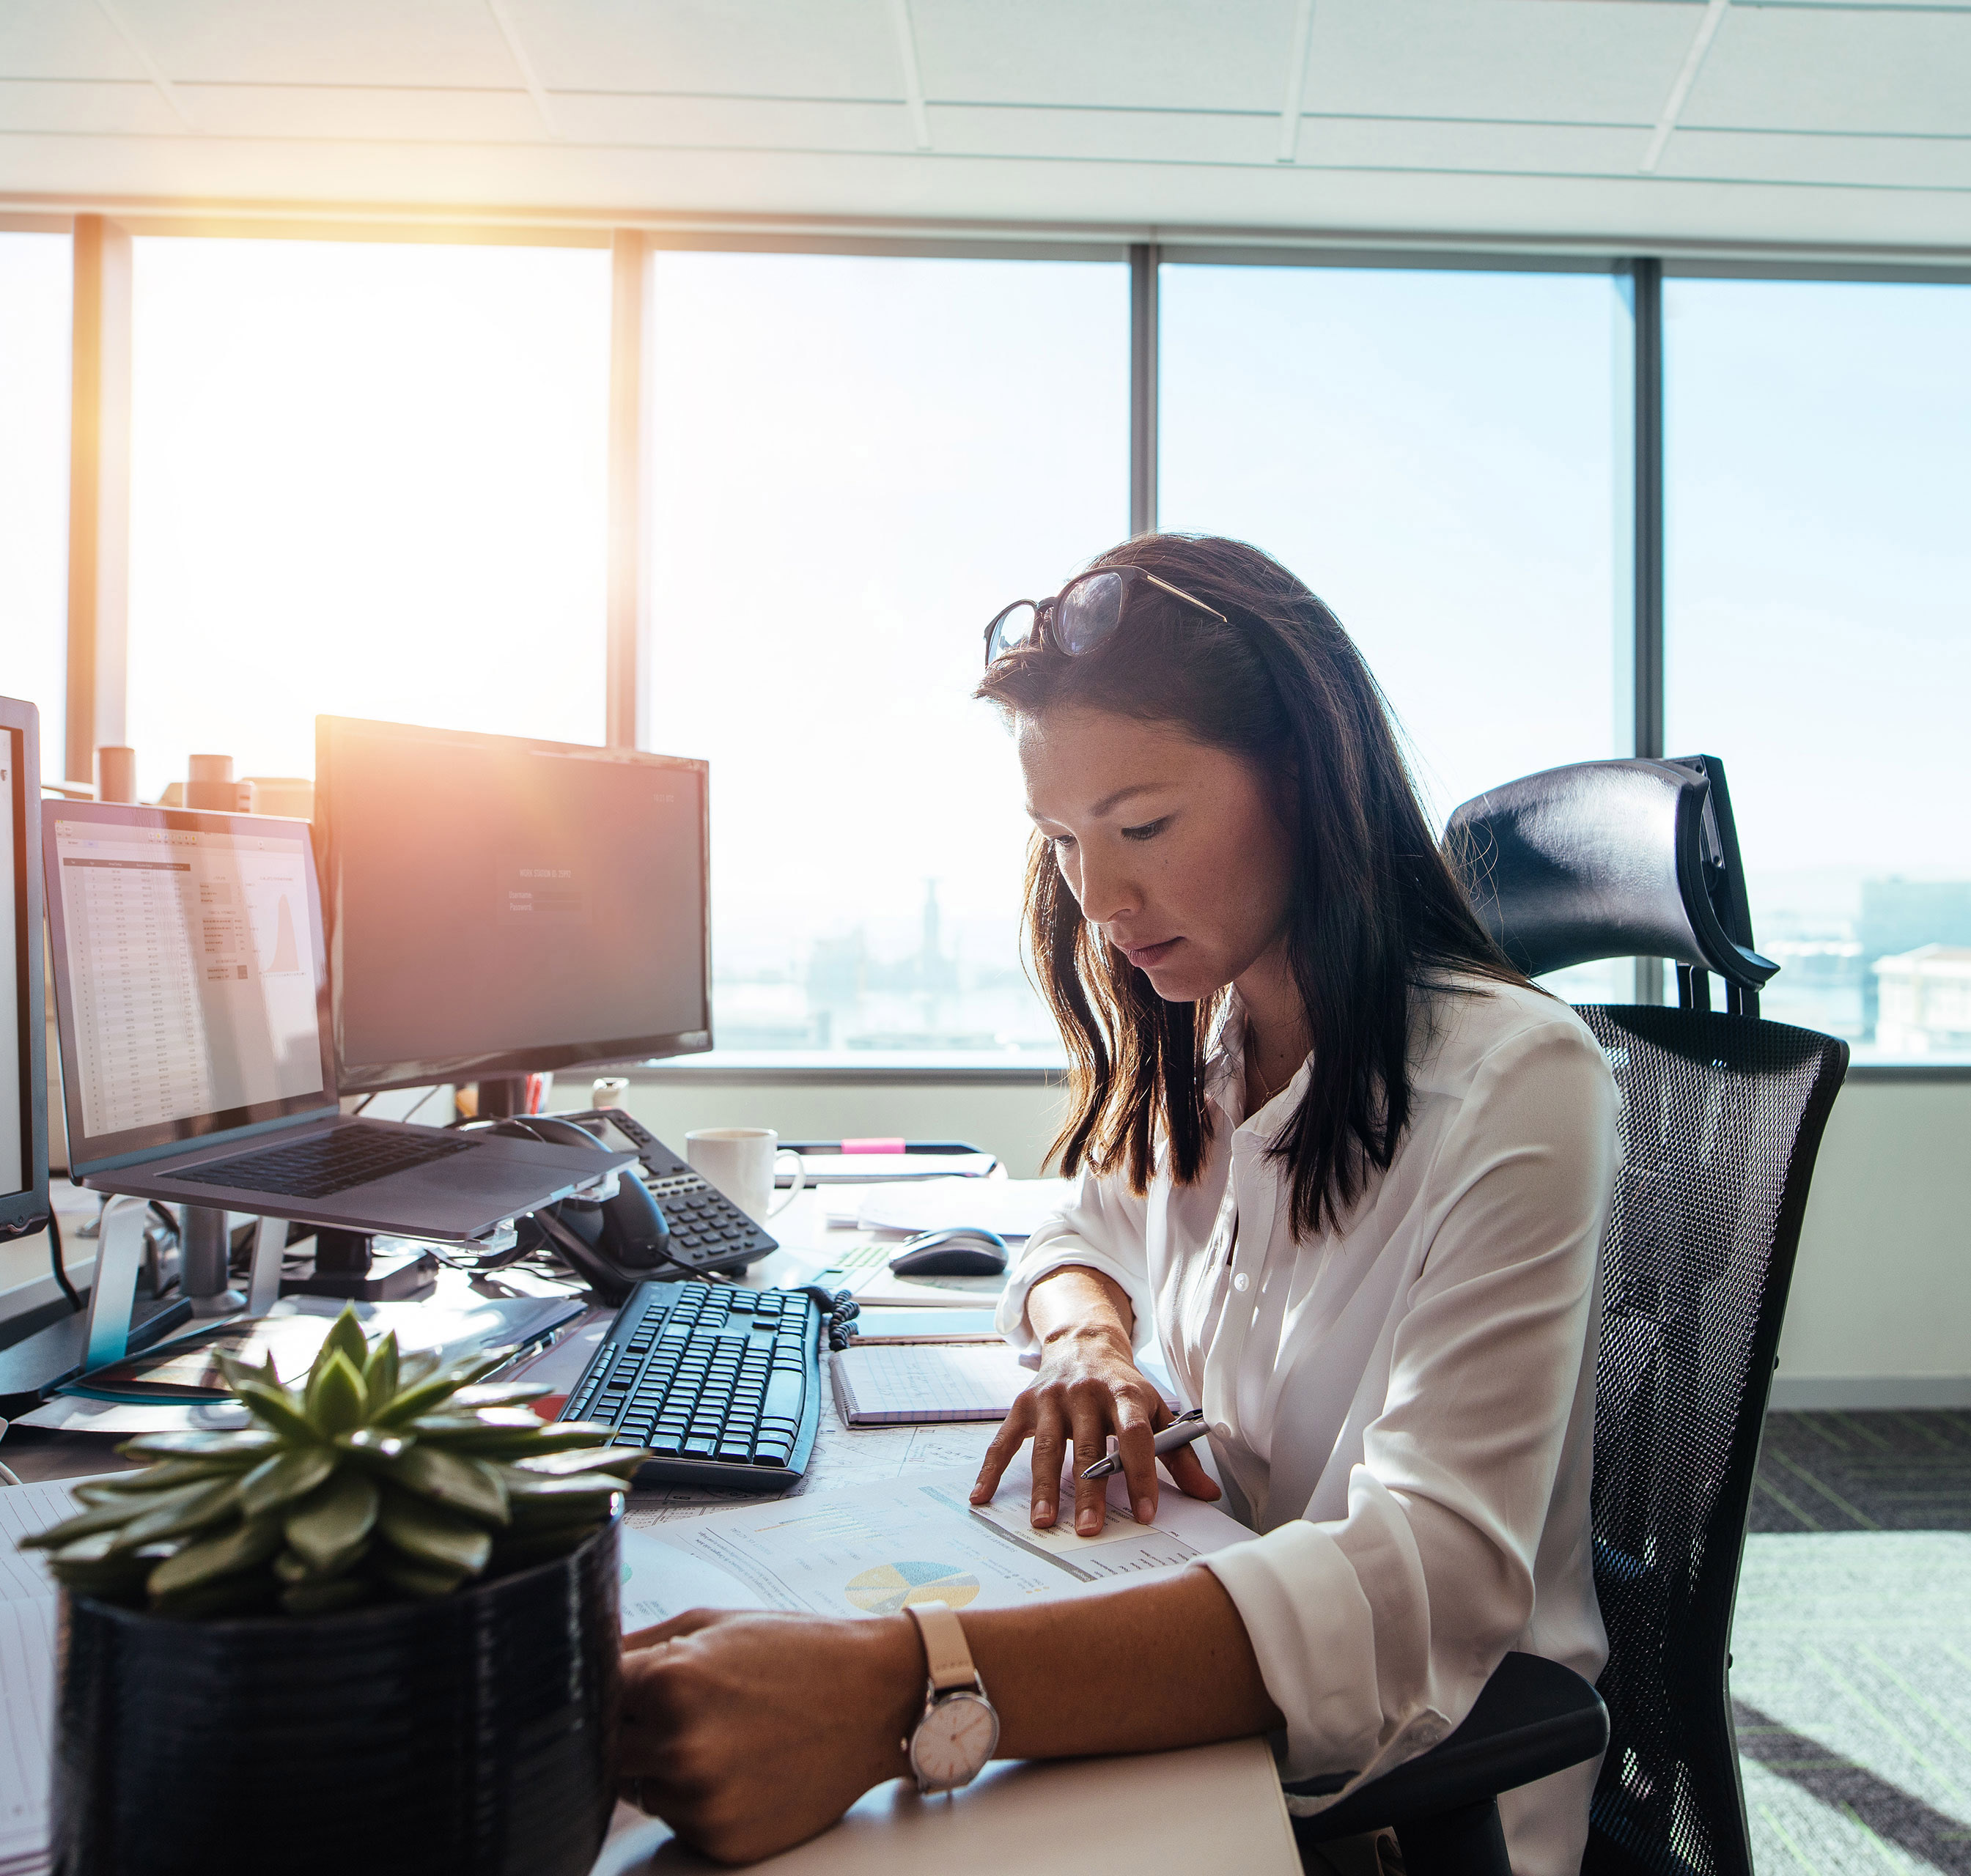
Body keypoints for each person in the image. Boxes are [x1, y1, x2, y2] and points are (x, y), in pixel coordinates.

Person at [616, 535, 1616, 1874]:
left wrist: (897, 1688)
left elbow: (1424, 1582)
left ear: (1311, 786)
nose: (1102, 898)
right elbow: (1079, 1236)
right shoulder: (1211, 1043)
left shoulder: (1516, 1079)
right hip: (1198, 1641)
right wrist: (1091, 1343)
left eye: (1144, 826)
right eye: (1064, 843)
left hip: (1396, 1792)